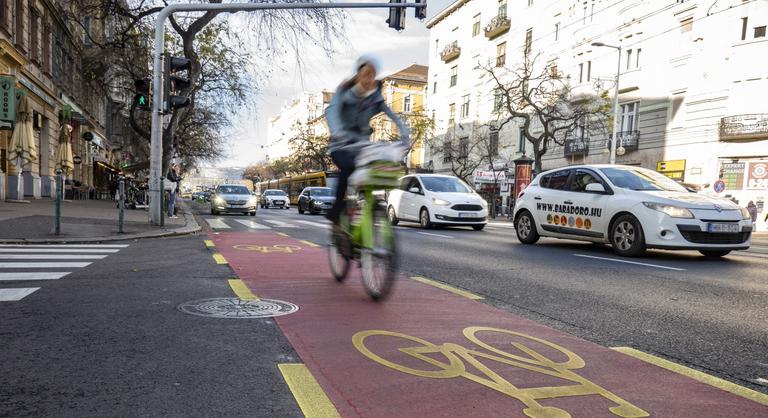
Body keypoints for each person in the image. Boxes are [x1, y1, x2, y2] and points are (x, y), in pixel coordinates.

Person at [324, 54, 410, 229]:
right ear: (358, 75)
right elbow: (331, 111)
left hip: (362, 145)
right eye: (365, 74)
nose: (368, 79)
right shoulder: (344, 91)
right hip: (340, 144)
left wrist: (405, 135)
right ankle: (337, 209)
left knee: (375, 170)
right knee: (348, 167)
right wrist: (337, 131)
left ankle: (365, 208)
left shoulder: (375, 98)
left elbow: (393, 115)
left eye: (372, 75)